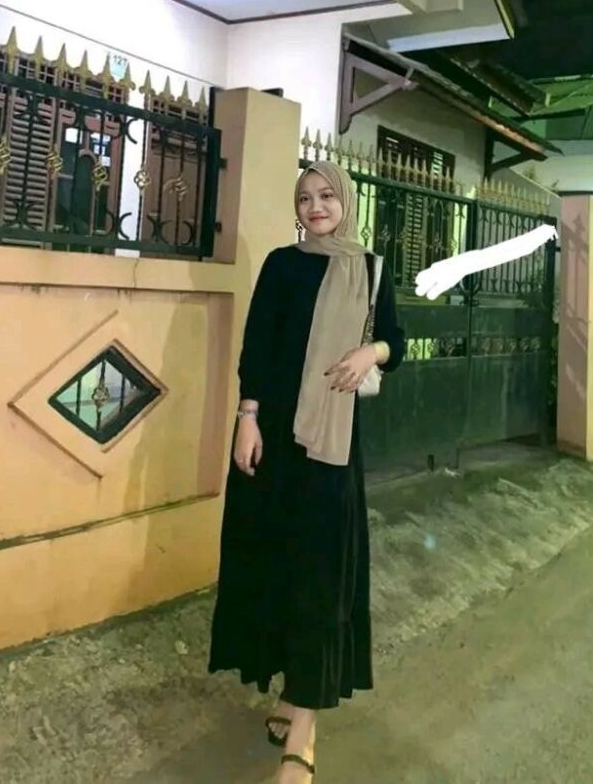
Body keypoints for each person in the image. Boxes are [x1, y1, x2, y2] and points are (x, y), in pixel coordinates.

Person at [207, 160, 405, 782]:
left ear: (345, 201)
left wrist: (370, 350)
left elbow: (396, 341)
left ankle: (303, 730)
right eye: (304, 198)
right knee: (277, 569)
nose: (315, 206)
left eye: (326, 195)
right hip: (275, 444)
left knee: (321, 582)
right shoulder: (281, 265)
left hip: (331, 453)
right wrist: (247, 418)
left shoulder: (369, 268)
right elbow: (257, 349)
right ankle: (292, 692)